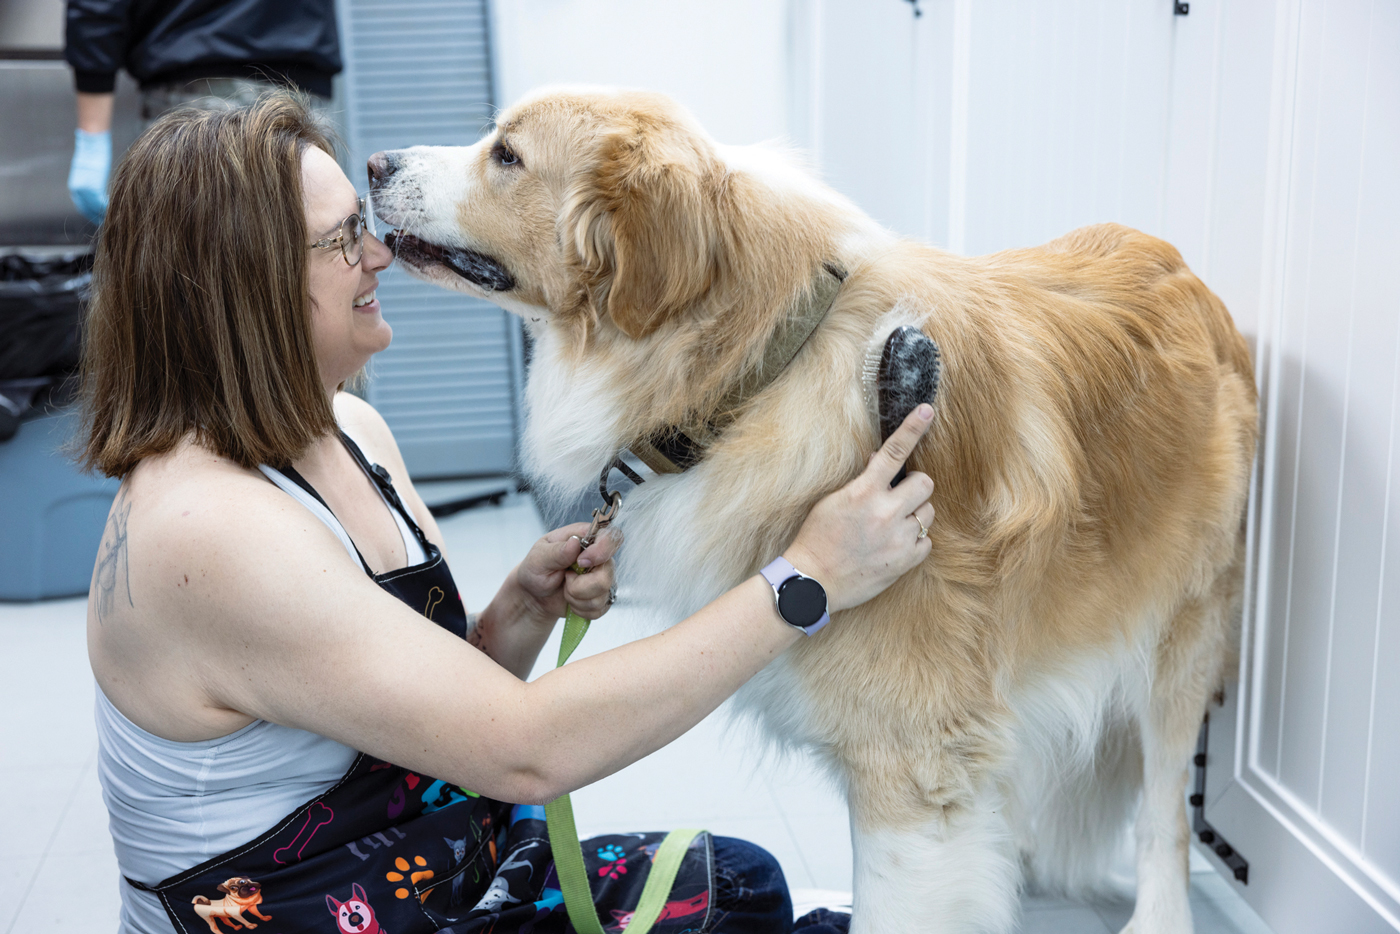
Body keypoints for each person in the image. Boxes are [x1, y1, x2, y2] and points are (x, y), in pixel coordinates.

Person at [80, 92, 937, 934]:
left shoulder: (349, 429)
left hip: (432, 876)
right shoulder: (209, 528)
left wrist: (520, 614)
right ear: (246, 286)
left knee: (739, 885)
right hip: (324, 912)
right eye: (342, 239)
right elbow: (525, 750)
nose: (378, 254)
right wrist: (808, 577)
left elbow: (408, 716)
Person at [64, 0, 341, 224]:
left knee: (192, 274)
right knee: (308, 260)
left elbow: (96, 7)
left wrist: (92, 138)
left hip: (195, 89)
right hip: (301, 84)